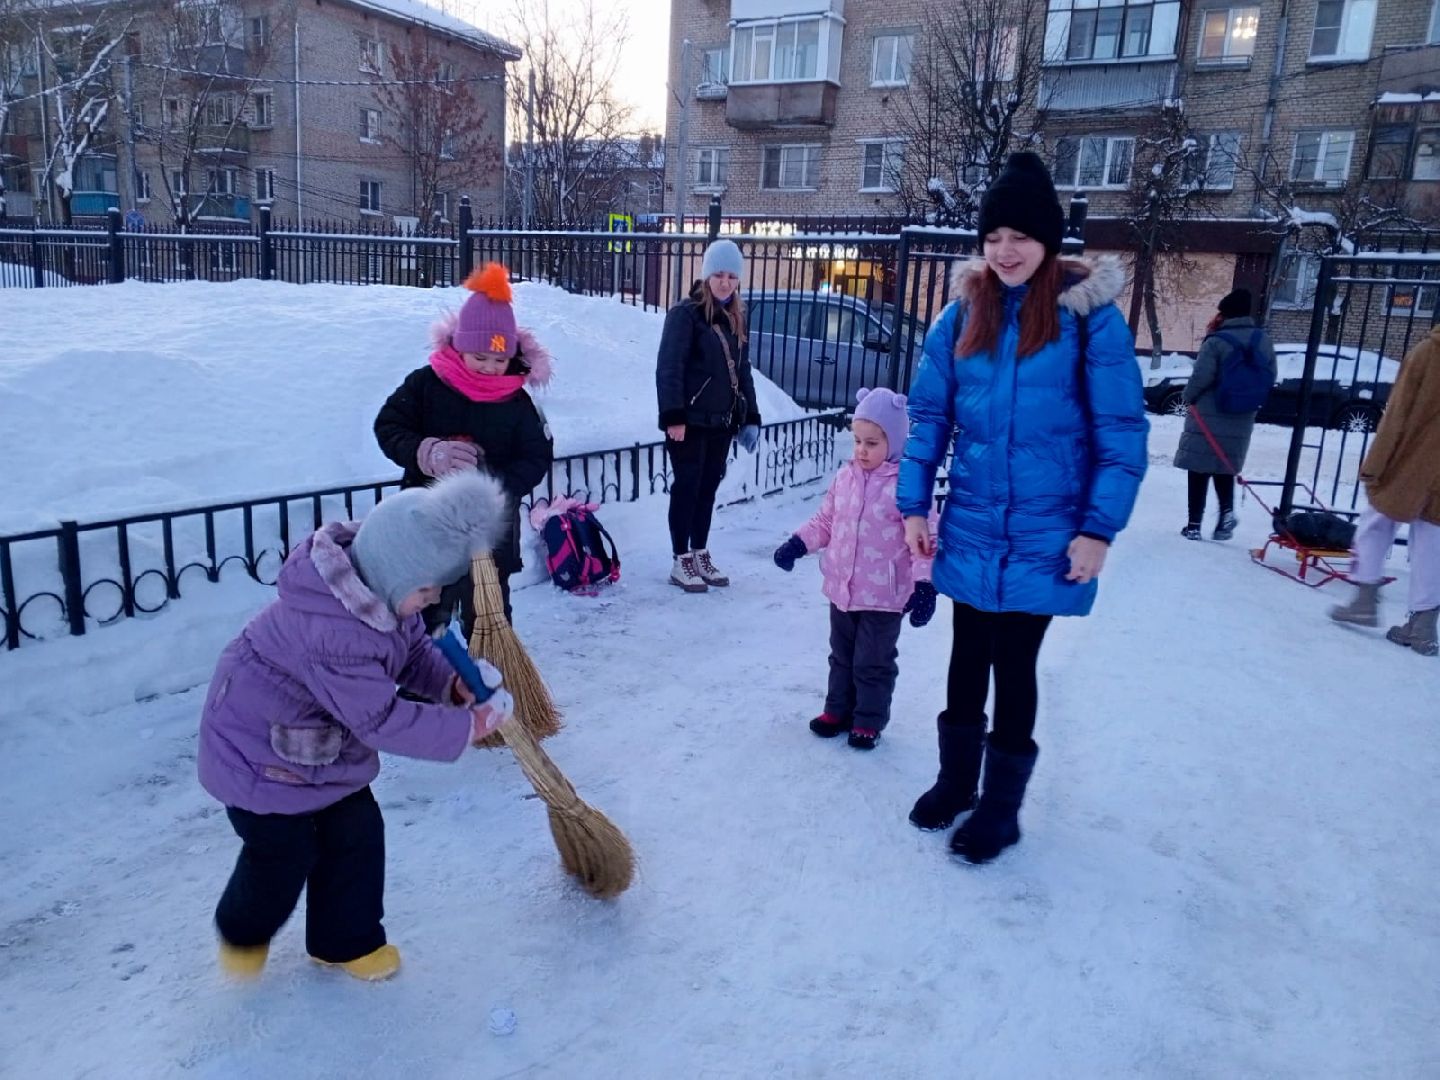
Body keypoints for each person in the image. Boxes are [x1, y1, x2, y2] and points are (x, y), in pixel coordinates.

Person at [897, 151, 1149, 864]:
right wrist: (914, 505)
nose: (1006, 252)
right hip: (975, 522)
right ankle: (955, 784)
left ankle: (1001, 811)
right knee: (964, 656)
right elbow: (928, 417)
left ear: (1048, 241)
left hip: (1046, 530)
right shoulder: (961, 314)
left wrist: (1099, 529)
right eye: (993, 237)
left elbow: (1122, 432)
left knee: (1015, 663)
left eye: (1021, 237)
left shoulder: (1087, 320)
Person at [198, 472, 517, 982]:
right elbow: (380, 720)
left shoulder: (382, 598)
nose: (432, 597)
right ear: (394, 576)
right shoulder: (332, 633)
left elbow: (409, 655)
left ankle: (344, 941)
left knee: (357, 834)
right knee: (285, 852)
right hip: (259, 755)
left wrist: (449, 688)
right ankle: (242, 931)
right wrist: (464, 729)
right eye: (426, 587)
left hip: (321, 744)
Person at [375, 263, 554, 634]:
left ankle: (488, 679)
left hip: (490, 533)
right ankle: (425, 685)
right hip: (429, 527)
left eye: (500, 360)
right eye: (480, 357)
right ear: (459, 347)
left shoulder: (517, 402)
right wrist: (427, 452)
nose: (490, 368)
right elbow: (389, 426)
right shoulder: (426, 385)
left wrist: (495, 486)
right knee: (429, 617)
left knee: (488, 616)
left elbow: (536, 456)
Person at [773, 388, 939, 751]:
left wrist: (925, 585)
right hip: (842, 589)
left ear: (893, 441)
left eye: (872, 442)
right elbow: (825, 521)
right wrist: (798, 543)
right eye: (857, 441)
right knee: (841, 656)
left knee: (873, 661)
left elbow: (925, 540)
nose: (862, 450)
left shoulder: (907, 486)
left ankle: (867, 720)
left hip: (884, 596)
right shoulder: (845, 478)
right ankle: (837, 710)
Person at [656, 239, 762, 593]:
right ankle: (680, 558)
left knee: (707, 489)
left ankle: (700, 551)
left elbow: (742, 370)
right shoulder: (685, 315)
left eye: (732, 275)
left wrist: (752, 416)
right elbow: (669, 368)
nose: (725, 282)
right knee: (687, 488)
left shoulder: (735, 317)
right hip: (688, 421)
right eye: (718, 274)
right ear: (706, 276)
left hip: (721, 420)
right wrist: (673, 416)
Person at [1329, 325, 1440, 656]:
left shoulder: (1429, 353)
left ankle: (1365, 598)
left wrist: (1375, 464)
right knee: (1433, 542)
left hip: (1411, 461)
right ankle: (1422, 627)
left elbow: (1397, 415)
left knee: (1375, 521)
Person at [1172, 288, 1277, 540]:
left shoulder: (1217, 340)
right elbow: (1271, 374)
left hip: (1209, 411)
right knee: (1225, 465)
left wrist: (1188, 397)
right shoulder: (1262, 339)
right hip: (1242, 413)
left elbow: (1202, 376)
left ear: (1225, 313)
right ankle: (1226, 515)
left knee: (1199, 467)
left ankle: (1194, 525)